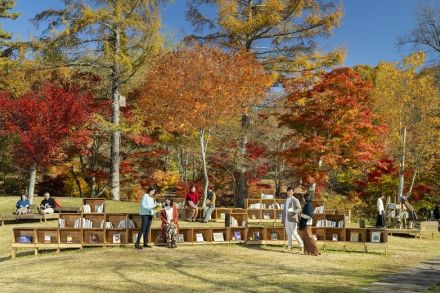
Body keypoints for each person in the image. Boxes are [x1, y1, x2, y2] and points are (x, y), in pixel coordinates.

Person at [281, 186, 304, 253]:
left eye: (291, 191)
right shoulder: (286, 200)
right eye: (288, 191)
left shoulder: (295, 199)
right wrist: (283, 219)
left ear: (293, 192)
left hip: (292, 219)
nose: (290, 193)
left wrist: (293, 213)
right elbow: (284, 210)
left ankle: (302, 246)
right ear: (287, 192)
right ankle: (289, 248)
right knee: (288, 234)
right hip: (286, 219)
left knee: (294, 233)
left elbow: (299, 208)